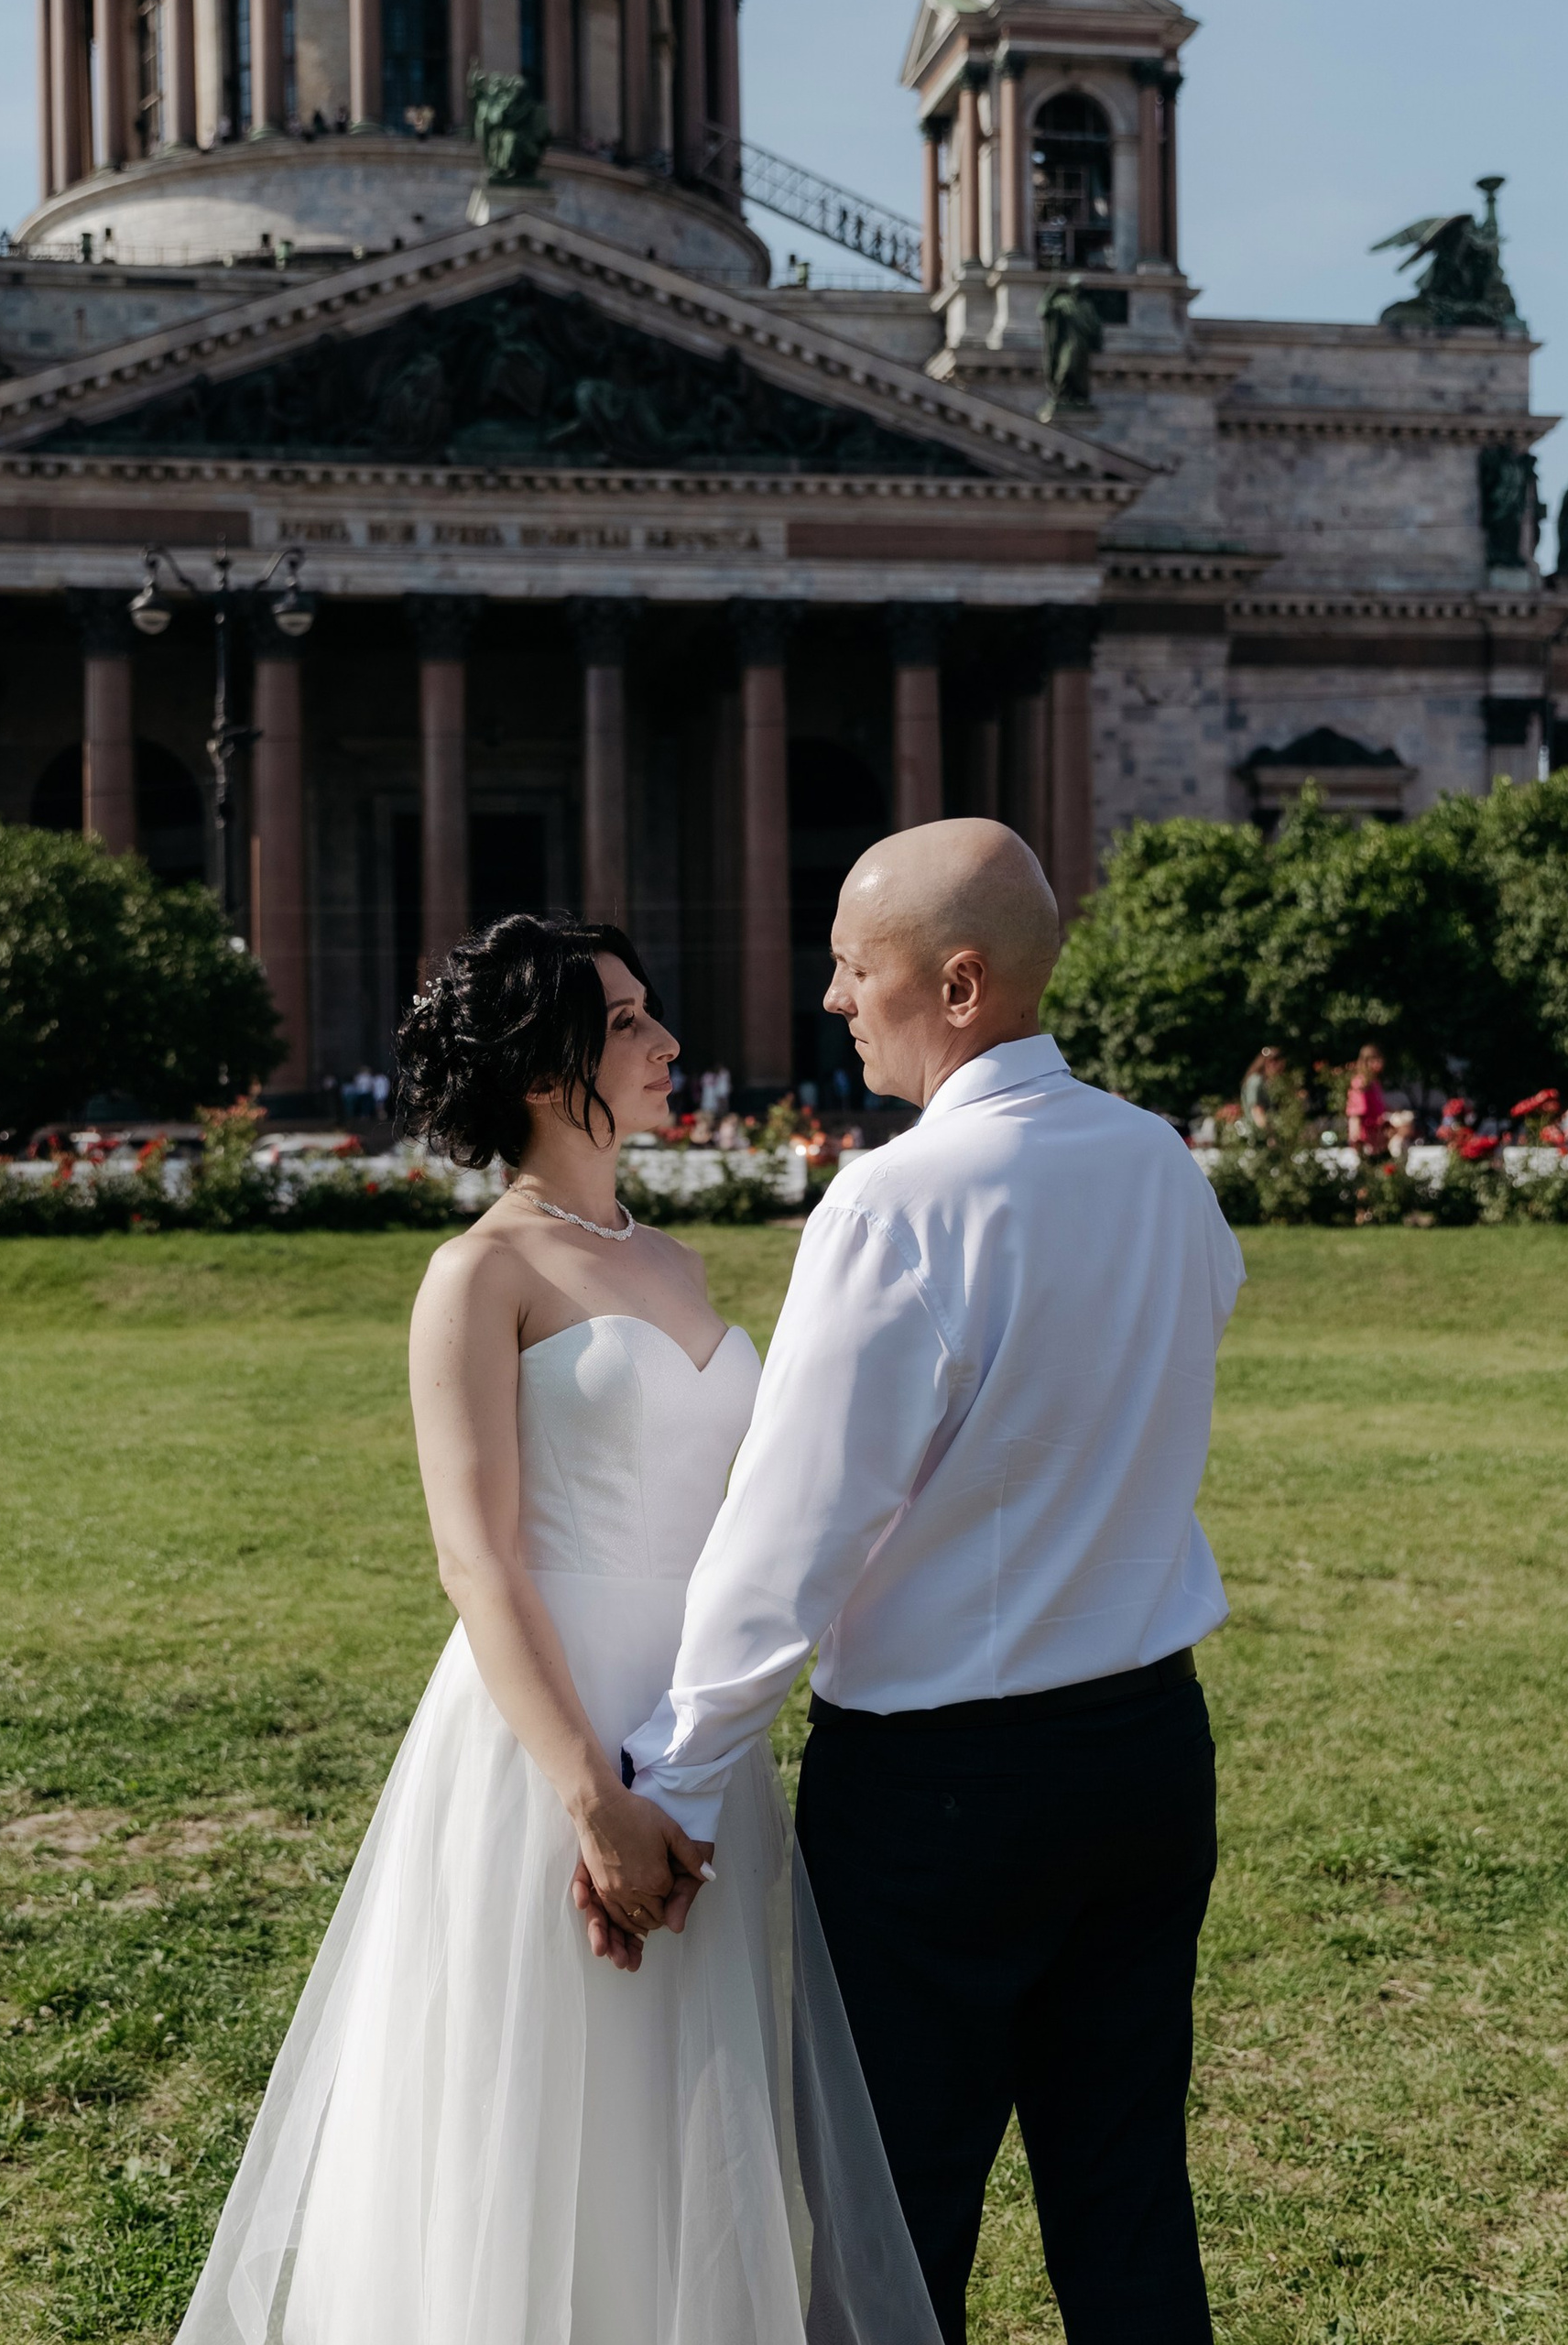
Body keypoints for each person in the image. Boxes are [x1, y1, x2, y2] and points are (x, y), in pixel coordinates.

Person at [177, 914, 940, 2345]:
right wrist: (590, 1795)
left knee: (684, 2099)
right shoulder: (480, 1275)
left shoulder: (683, 1266)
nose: (668, 1042)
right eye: (630, 1020)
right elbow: (474, 1559)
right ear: (543, 1066)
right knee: (534, 2097)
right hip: (549, 1726)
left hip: (695, 1726)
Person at [613, 819, 1245, 2345]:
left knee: (893, 2220)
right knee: (1127, 2200)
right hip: (1147, 1751)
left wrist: (678, 1776)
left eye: (855, 967)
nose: (833, 998)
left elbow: (795, 1526)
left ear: (957, 987)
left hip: (943, 1794)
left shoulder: (897, 1203)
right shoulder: (1161, 1162)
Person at [1344, 1044, 1390, 1158]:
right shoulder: (1361, 1082)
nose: (1378, 1063)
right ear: (1365, 1062)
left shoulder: (1374, 1082)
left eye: (1379, 1060)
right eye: (1374, 1060)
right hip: (1365, 1135)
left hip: (1376, 1133)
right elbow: (1356, 1112)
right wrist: (1355, 1136)